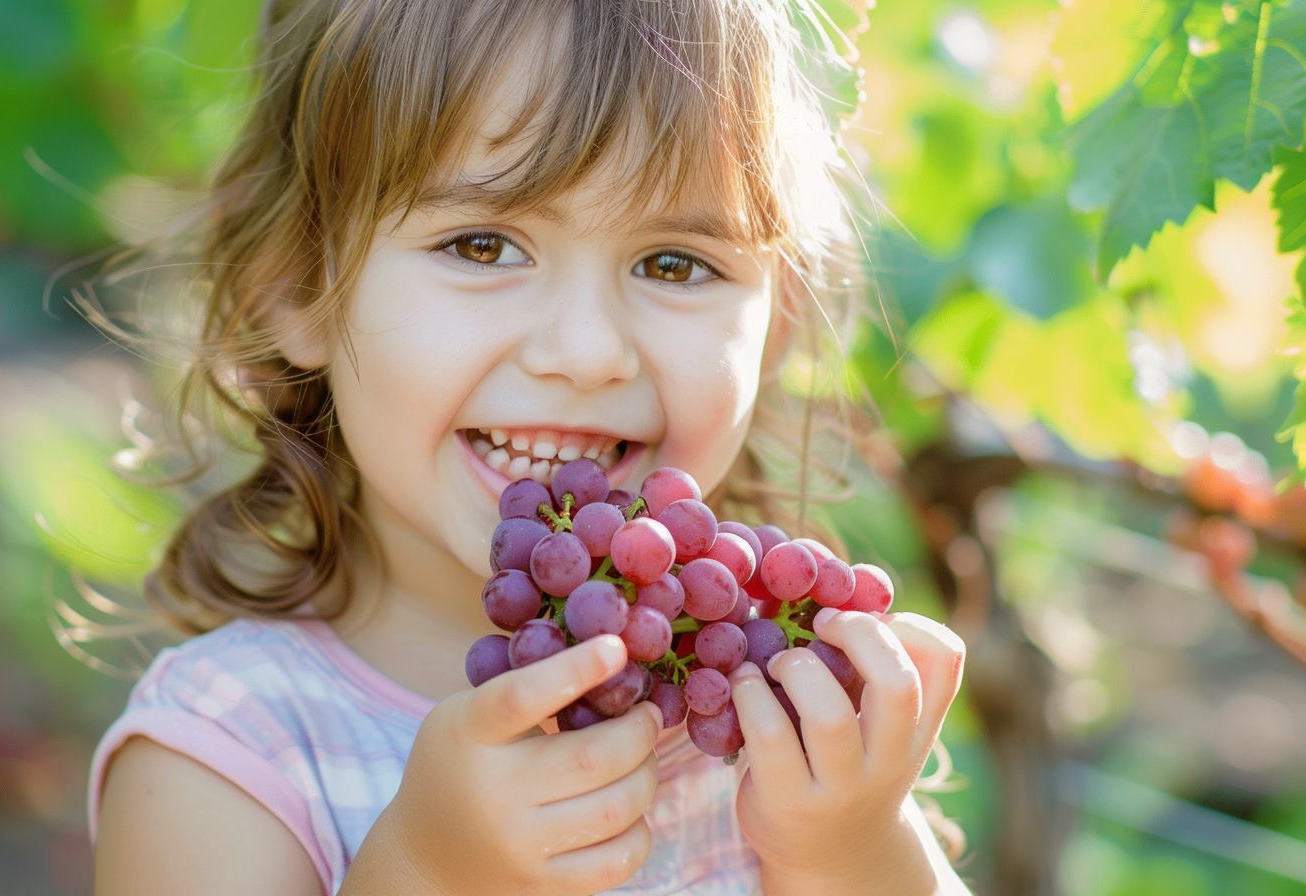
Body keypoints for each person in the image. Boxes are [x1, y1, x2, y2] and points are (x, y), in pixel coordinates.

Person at [88, 1, 971, 894]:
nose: (587, 354)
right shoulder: (229, 753)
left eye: (674, 264)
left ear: (778, 324)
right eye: (481, 244)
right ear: (295, 286)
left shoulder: (779, 724)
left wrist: (854, 856)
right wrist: (427, 874)